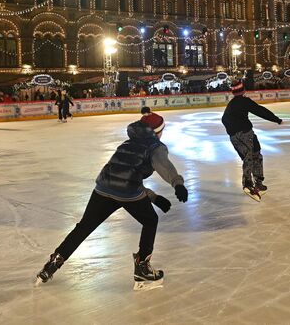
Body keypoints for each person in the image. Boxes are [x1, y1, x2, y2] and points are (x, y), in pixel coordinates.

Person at [35, 112, 187, 290]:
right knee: (150, 220)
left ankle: (52, 264)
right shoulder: (156, 147)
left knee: (84, 226)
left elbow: (120, 176)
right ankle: (142, 269)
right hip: (127, 191)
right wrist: (177, 184)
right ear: (158, 131)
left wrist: (153, 197)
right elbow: (163, 166)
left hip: (102, 188)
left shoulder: (128, 143)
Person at [221, 81, 282, 201]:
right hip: (246, 134)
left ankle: (257, 182)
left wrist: (232, 131)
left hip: (239, 136)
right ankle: (249, 183)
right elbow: (260, 111)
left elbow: (224, 119)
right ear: (243, 90)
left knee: (254, 155)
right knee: (252, 156)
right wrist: (276, 119)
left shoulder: (231, 104)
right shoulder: (244, 101)